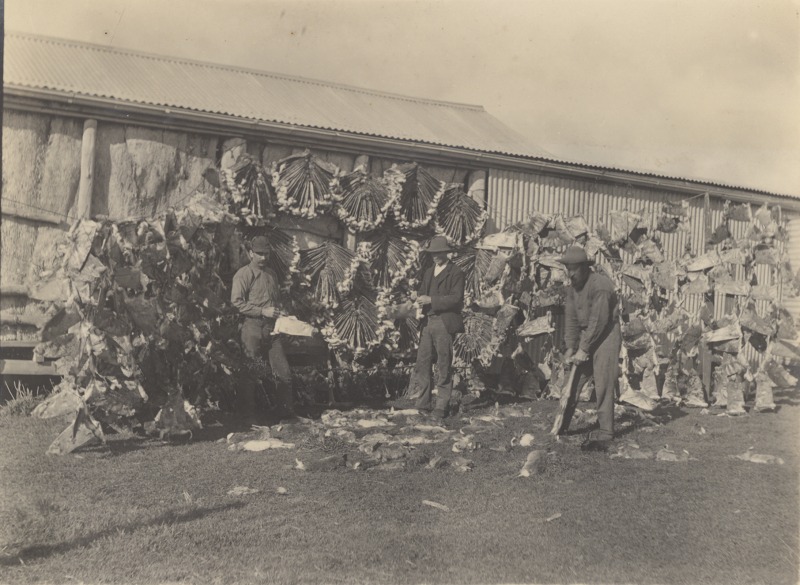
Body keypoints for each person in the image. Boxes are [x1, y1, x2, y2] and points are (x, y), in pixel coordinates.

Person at [560, 245, 621, 451]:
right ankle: (561, 426)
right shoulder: (572, 288)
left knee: (603, 381)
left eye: (574, 269)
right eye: (567, 269)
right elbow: (571, 319)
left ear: (585, 267)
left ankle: (606, 431)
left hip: (606, 334)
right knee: (573, 382)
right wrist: (570, 347)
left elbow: (599, 320)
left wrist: (584, 349)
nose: (570, 273)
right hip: (588, 333)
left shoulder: (601, 285)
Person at [231, 235, 294, 421]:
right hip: (252, 327)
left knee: (283, 373)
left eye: (266, 254)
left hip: (272, 329)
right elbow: (236, 302)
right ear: (251, 253)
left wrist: (280, 314)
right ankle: (247, 417)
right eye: (259, 254)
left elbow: (275, 301)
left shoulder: (272, 274)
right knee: (249, 373)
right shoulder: (243, 274)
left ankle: (285, 414)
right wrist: (261, 311)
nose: (263, 258)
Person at [409, 235, 465, 420]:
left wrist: (431, 300)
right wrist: (417, 296)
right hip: (427, 322)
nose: (434, 256)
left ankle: (441, 406)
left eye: (438, 253)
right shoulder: (428, 272)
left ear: (446, 253)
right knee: (422, 363)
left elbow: (456, 299)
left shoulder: (456, 272)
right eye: (432, 253)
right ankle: (423, 403)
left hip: (444, 321)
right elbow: (424, 293)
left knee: (443, 364)